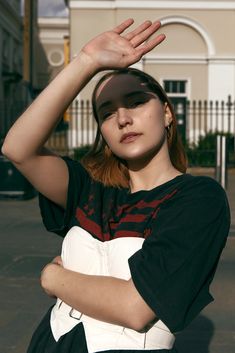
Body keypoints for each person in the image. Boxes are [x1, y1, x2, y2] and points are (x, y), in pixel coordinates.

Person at [2, 19, 230, 353]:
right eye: (107, 113)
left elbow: (134, 308)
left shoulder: (198, 199)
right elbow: (16, 149)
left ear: (167, 112)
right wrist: (86, 61)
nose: (122, 118)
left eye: (136, 102)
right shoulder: (89, 188)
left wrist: (54, 279)